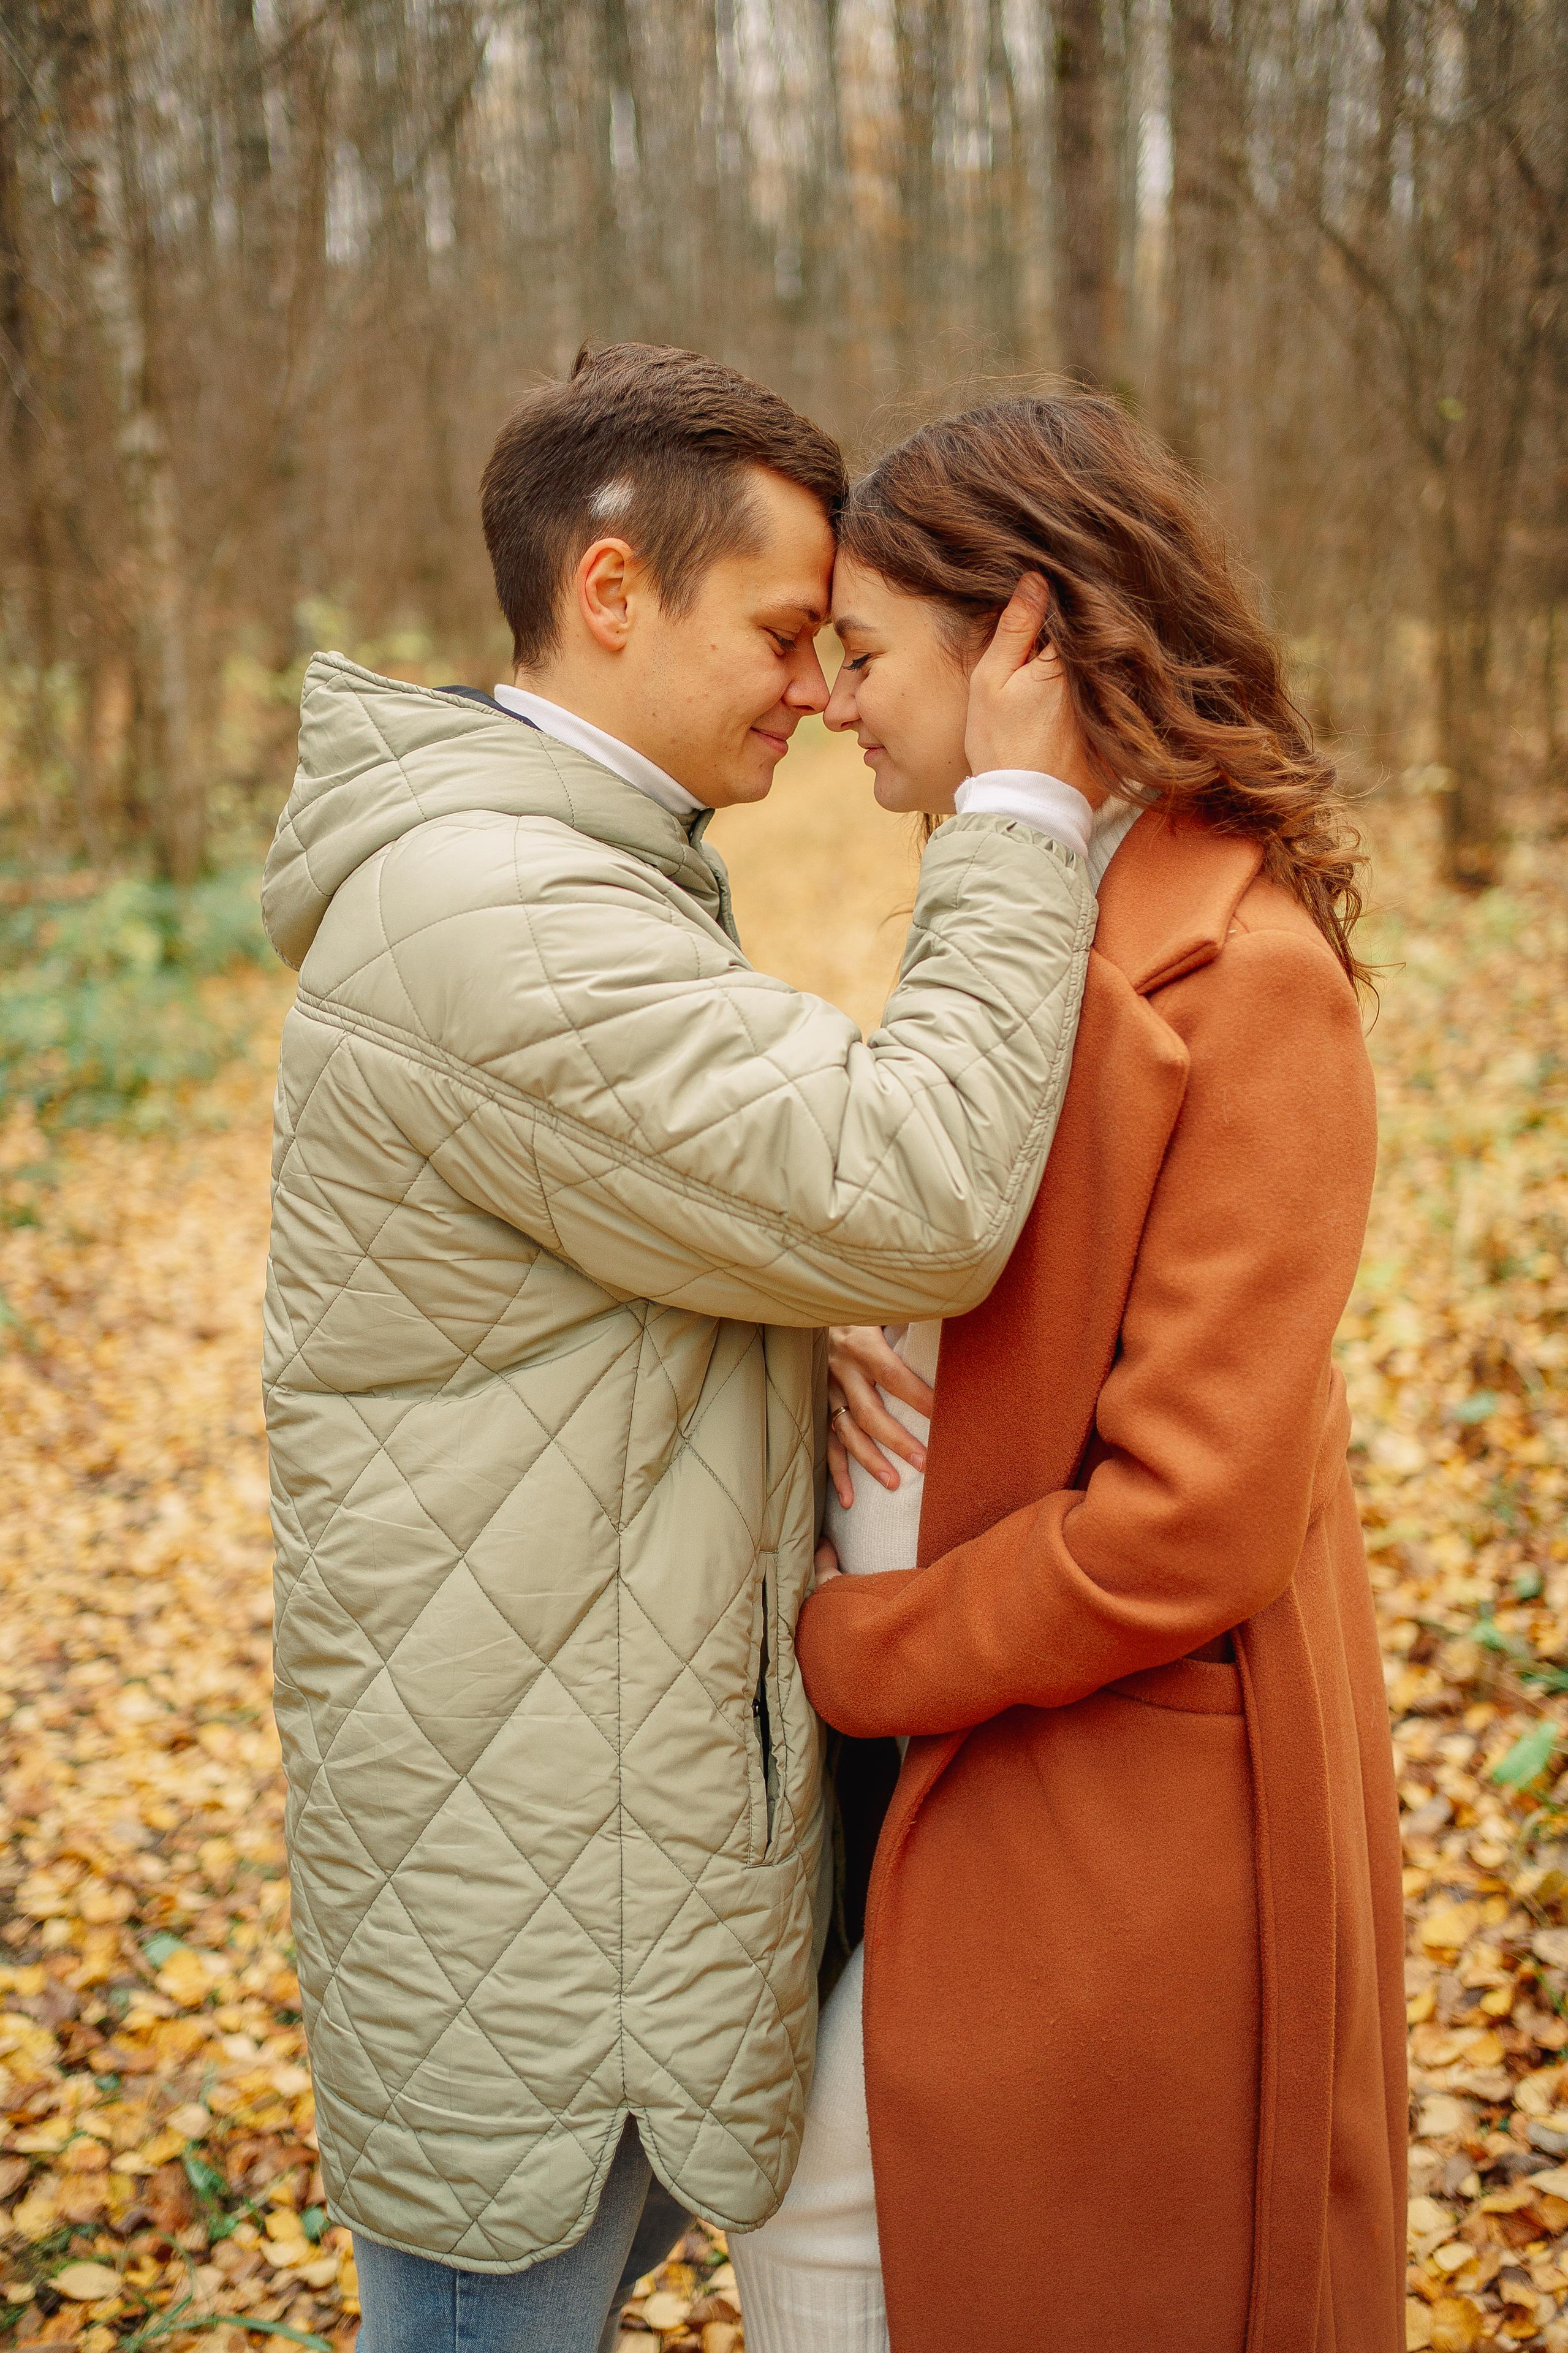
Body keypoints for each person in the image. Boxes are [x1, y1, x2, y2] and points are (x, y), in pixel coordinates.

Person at [259, 344, 1104, 2353]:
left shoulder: (571, 876)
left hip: (580, 1834)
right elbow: (916, 1187)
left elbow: (574, 1278)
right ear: (617, 591)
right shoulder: (507, 910)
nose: (817, 693)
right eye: (788, 632)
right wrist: (1019, 811)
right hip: (530, 1873)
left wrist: (770, 1337)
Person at [729, 394, 1406, 2353]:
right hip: (972, 1745)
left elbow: (1189, 1520)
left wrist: (857, 1646)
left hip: (1118, 1784)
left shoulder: (1245, 970)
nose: (838, 703)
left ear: (1021, 641)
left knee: (933, 2241)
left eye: (865, 654)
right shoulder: (1035, 896)